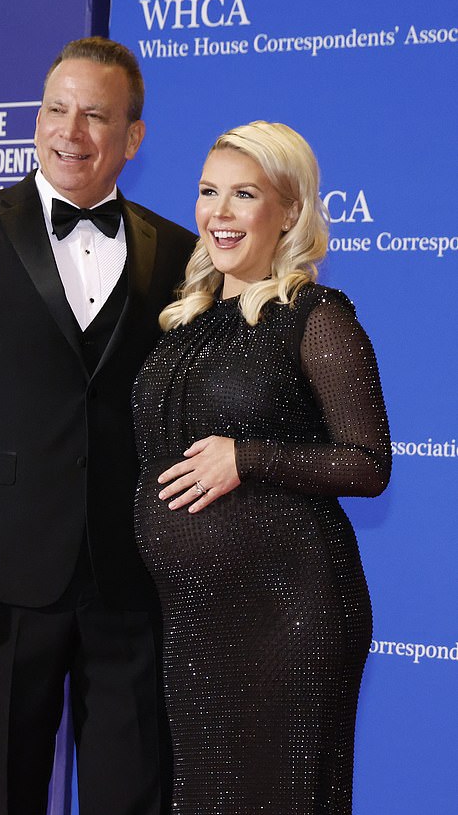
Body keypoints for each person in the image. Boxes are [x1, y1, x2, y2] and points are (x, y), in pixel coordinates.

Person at [0, 37, 196, 815]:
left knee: (134, 794)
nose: (71, 131)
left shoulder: (180, 252)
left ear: (133, 137)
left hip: (131, 571)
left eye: (96, 115)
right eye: (57, 108)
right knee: (5, 790)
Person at [132, 121, 391, 814]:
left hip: (289, 609)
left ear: (290, 213)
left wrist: (248, 456)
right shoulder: (188, 319)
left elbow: (368, 462)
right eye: (208, 191)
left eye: (243, 194)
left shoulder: (316, 314)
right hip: (195, 620)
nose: (218, 212)